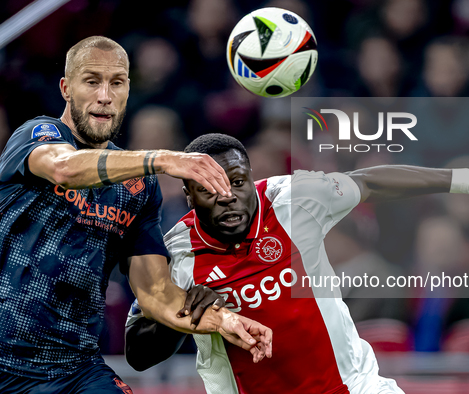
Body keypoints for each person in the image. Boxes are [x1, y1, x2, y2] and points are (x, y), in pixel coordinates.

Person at [125, 133, 469, 394]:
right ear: (187, 193)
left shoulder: (295, 199)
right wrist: (177, 313)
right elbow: (139, 354)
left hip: (355, 387)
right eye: (209, 187)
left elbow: (373, 182)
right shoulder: (173, 253)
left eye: (238, 183)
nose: (228, 196)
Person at [0, 36, 271, 394]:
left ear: (128, 88)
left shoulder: (138, 190)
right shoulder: (38, 135)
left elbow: (156, 293)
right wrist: (165, 159)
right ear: (66, 88)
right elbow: (64, 167)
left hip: (77, 369)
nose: (105, 96)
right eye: (92, 81)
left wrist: (224, 320)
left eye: (116, 83)